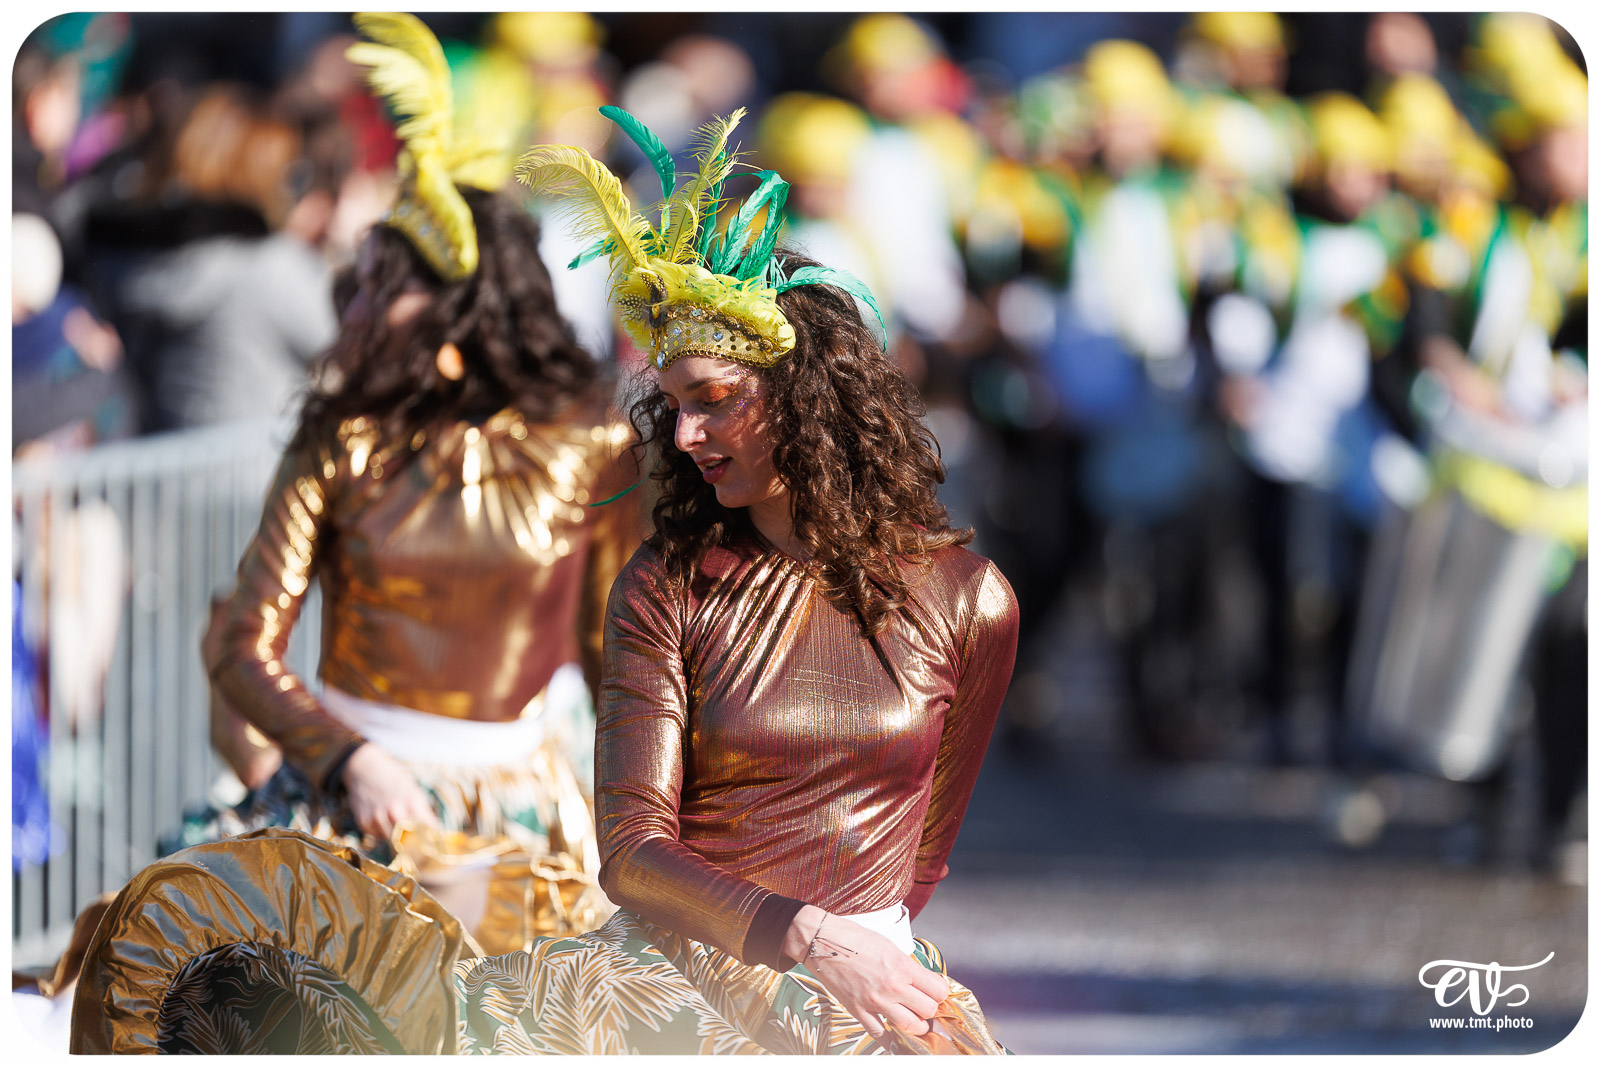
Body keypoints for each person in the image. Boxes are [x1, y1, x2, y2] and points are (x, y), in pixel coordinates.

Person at [72, 102, 1017, 1057]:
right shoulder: (646, 572)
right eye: (676, 406)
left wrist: (861, 953)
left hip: (786, 948)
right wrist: (345, 757)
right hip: (557, 912)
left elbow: (920, 848)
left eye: (714, 401)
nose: (684, 438)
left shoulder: (969, 598)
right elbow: (636, 847)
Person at [182, 13, 641, 948]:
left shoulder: (592, 444)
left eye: (383, 283)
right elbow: (242, 644)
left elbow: (615, 656)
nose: (352, 302)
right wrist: (348, 756)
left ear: (460, 308)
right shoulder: (338, 437)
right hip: (349, 804)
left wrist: (657, 823)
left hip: (521, 822)